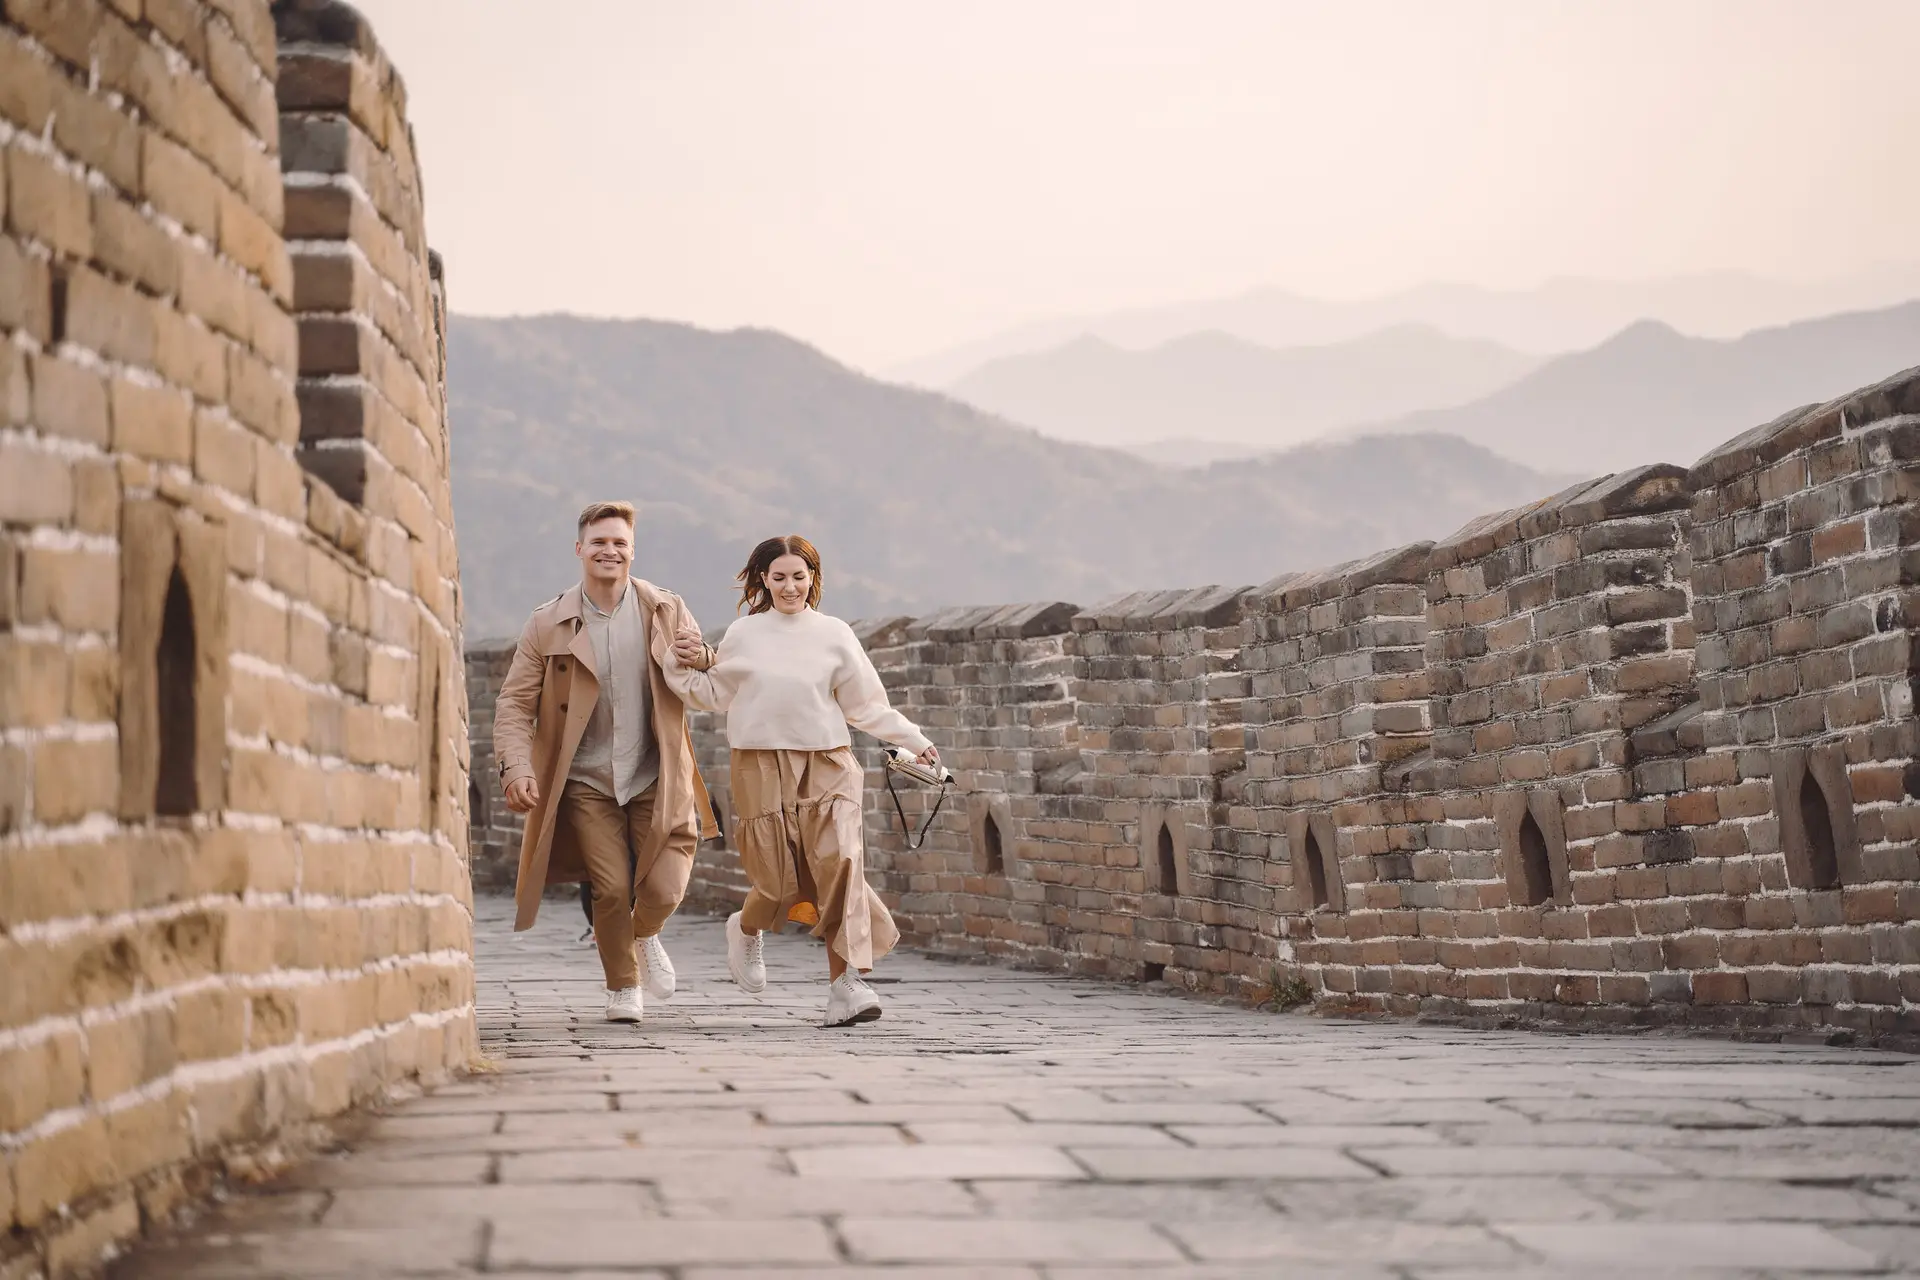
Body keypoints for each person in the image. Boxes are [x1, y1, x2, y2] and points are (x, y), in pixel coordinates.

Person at [663, 534, 939, 1027]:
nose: (790, 586)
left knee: (841, 865)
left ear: (813, 577)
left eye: (799, 575)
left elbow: (866, 705)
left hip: (828, 763)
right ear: (762, 581)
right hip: (759, 764)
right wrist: (675, 663)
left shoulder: (834, 633)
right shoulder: (744, 635)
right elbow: (714, 694)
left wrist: (913, 739)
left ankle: (846, 986)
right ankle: (746, 928)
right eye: (779, 577)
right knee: (777, 879)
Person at [494, 501, 719, 1023]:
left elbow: (708, 667)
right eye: (599, 542)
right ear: (580, 550)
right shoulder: (546, 623)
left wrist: (704, 655)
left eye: (619, 542)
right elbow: (513, 704)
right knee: (611, 888)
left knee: (663, 886)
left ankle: (645, 934)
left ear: (632, 551)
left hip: (654, 771)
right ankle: (623, 988)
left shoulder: (666, 608)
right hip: (586, 779)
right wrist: (517, 767)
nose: (609, 551)